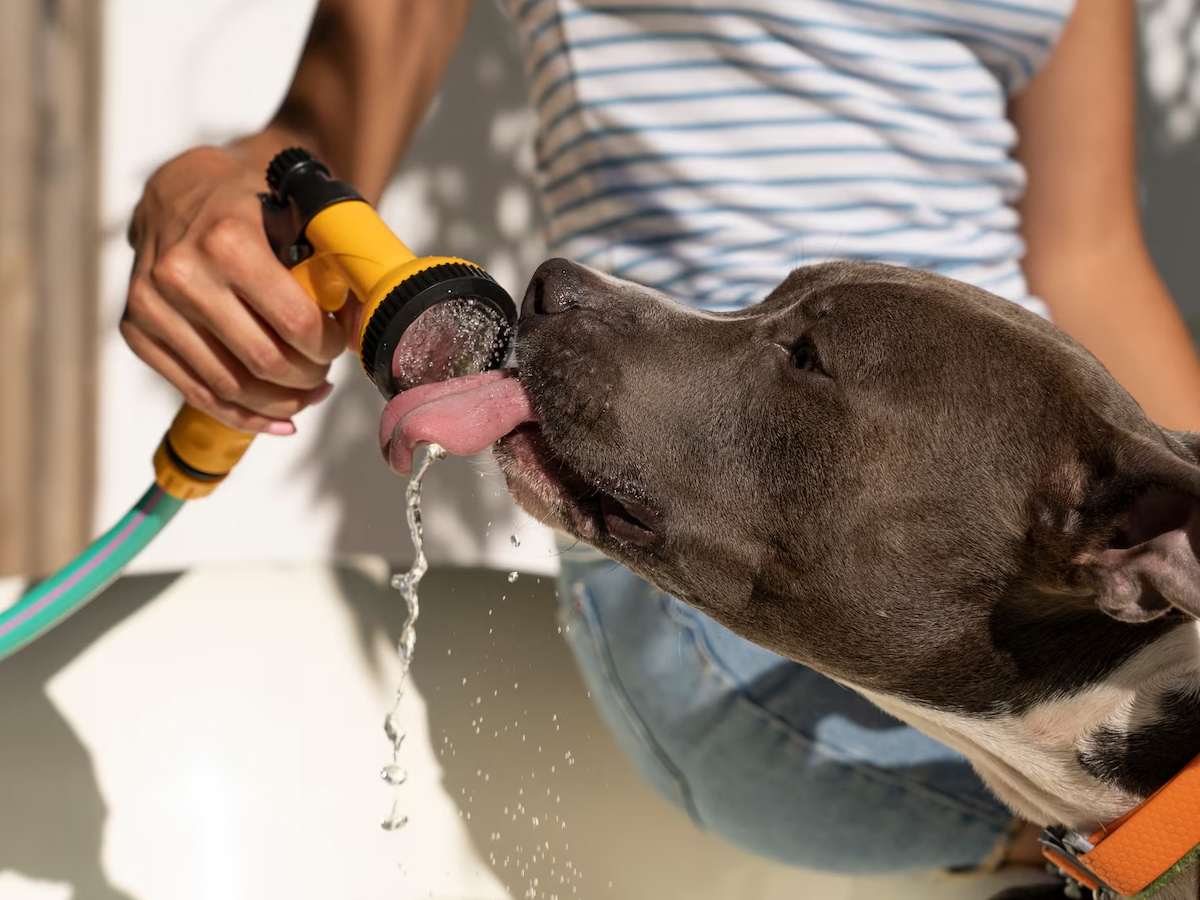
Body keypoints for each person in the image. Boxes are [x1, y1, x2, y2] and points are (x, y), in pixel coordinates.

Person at [121, 0, 1200, 876]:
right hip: (736, 553)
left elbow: (1091, 259)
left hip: (1008, 555)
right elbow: (301, 145)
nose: (561, 295)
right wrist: (205, 187)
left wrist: (1168, 535)